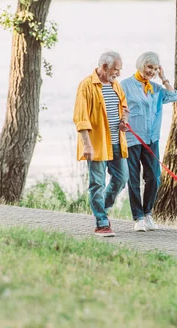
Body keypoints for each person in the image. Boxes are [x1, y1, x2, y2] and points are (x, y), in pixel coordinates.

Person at [73, 50, 130, 237]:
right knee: (97, 183)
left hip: (116, 142)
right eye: (116, 70)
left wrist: (124, 120)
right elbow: (81, 118)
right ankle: (101, 222)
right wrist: (87, 145)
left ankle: (102, 208)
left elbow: (124, 106)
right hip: (97, 143)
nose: (118, 74)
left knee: (121, 179)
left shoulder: (116, 85)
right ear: (104, 67)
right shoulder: (86, 86)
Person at [121, 51, 177, 232]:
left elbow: (173, 96)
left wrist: (164, 78)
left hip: (151, 139)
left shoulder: (155, 88)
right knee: (133, 179)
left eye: (155, 69)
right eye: (149, 67)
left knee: (154, 177)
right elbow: (116, 107)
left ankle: (148, 214)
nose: (151, 71)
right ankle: (138, 217)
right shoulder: (125, 85)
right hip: (132, 138)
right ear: (141, 65)